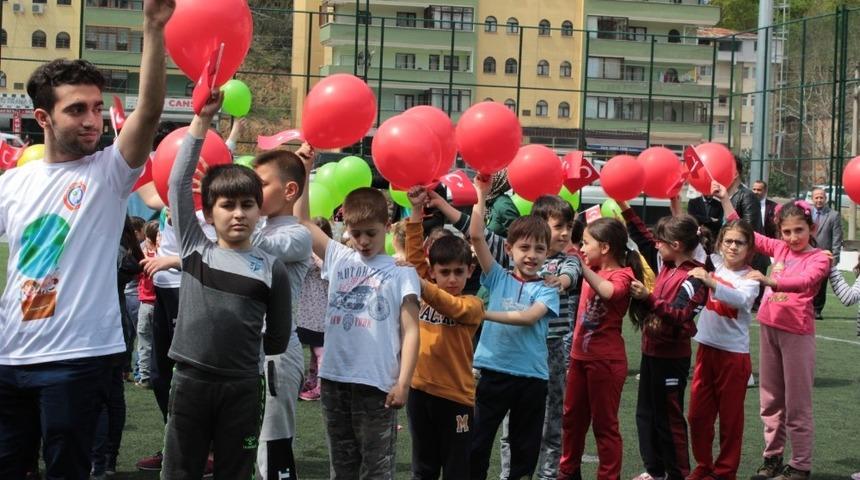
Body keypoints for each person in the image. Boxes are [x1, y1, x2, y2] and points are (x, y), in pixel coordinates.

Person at [0, 0, 173, 474]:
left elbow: (150, 109)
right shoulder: (12, 184)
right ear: (43, 118)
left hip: (78, 359)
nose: (92, 119)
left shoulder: (109, 171)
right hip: (10, 355)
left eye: (97, 108)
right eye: (76, 109)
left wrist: (153, 28)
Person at [160, 91, 292, 479]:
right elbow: (177, 183)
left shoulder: (272, 268)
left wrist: (240, 356)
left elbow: (279, 338)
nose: (238, 214)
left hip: (242, 389)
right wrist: (200, 123)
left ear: (258, 209)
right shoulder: (194, 248)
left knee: (235, 472)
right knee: (179, 471)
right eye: (227, 205)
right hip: (189, 382)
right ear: (209, 211)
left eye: (247, 205)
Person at [297, 162, 421, 477]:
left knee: (376, 469)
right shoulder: (340, 257)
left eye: (371, 233)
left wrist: (403, 382)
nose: (363, 241)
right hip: (335, 378)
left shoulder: (402, 271)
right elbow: (302, 220)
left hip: (377, 384)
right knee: (342, 466)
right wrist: (305, 171)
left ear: (388, 225)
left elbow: (411, 332)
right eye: (356, 233)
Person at [714, 184, 829, 480]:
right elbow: (746, 232)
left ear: (811, 227)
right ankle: (772, 458)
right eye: (787, 232)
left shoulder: (819, 258)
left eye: (799, 231)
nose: (793, 238)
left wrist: (771, 282)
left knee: (797, 402)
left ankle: (800, 465)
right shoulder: (778, 248)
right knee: (770, 400)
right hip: (770, 329)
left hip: (796, 334)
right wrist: (726, 199)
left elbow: (805, 281)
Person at [468, 176, 560, 480]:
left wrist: (484, 314)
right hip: (493, 373)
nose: (532, 255)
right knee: (477, 443)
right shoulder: (497, 277)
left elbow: (529, 318)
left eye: (540, 249)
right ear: (509, 249)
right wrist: (480, 194)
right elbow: (477, 237)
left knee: (524, 450)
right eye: (524, 248)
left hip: (531, 379)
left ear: (548, 253)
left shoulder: (548, 289)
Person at [620, 202, 709, 480]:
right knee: (645, 414)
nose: (656, 246)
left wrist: (648, 298)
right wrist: (624, 205)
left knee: (669, 420)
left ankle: (678, 473)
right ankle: (655, 471)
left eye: (662, 242)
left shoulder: (695, 276)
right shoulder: (666, 265)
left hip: (672, 358)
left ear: (678, 244)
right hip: (651, 352)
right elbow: (644, 237)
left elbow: (680, 314)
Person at [404, 186, 484, 479]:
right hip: (419, 392)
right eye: (445, 271)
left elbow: (450, 306)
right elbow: (414, 260)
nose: (452, 279)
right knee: (423, 467)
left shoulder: (473, 304)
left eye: (458, 272)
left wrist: (423, 284)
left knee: (455, 470)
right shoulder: (428, 288)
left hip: (456, 400)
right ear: (433, 270)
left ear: (470, 271)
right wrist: (415, 212)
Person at [558, 218, 641, 480]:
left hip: (606, 361)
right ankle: (568, 471)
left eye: (586, 243)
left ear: (605, 248)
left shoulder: (623, 274)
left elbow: (609, 292)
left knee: (604, 425)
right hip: (579, 357)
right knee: (571, 420)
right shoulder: (590, 268)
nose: (582, 248)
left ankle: (608, 475)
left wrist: (581, 266)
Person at [251, 146, 314, 480]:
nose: (250, 192)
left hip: (275, 352)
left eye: (259, 184)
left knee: (272, 445)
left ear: (289, 191)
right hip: (247, 350)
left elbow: (260, 246)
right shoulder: (259, 229)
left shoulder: (297, 236)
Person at [686, 220, 760, 480]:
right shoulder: (714, 263)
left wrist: (711, 282)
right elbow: (690, 243)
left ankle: (725, 471)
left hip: (734, 357)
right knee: (697, 416)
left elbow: (740, 299)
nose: (733, 246)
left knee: (730, 420)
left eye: (739, 242)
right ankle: (704, 465)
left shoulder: (751, 278)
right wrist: (675, 201)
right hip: (707, 351)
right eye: (728, 241)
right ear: (720, 243)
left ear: (749, 248)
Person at [296, 217, 331, 402]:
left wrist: (313, 252)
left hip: (320, 306)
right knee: (313, 346)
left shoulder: (327, 254)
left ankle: (321, 386)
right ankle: (311, 380)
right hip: (309, 307)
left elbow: (328, 269)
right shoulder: (307, 251)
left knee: (320, 349)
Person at [810, 187, 842, 319]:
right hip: (806, 254)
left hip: (824, 256)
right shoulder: (806, 213)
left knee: (821, 285)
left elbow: (837, 238)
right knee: (806, 283)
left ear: (825, 199)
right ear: (812, 199)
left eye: (821, 197)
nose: (819, 200)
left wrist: (835, 257)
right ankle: (804, 307)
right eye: (816, 197)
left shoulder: (833, 215)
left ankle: (817, 310)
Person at [135, 219, 159, 388]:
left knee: (144, 341)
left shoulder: (141, 257)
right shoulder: (164, 256)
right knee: (161, 342)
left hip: (145, 304)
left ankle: (144, 377)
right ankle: (160, 373)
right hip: (161, 303)